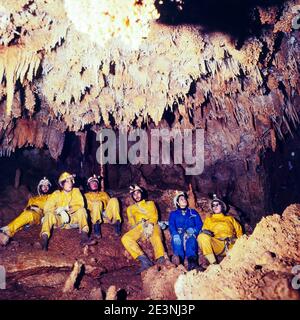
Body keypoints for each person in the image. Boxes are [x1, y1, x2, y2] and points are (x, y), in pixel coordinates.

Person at [40, 172, 94, 251]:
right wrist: (60, 211)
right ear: (62, 184)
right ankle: (44, 241)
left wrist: (66, 208)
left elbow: (80, 204)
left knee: (82, 210)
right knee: (48, 215)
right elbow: (47, 208)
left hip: (72, 220)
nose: (70, 184)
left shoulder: (76, 191)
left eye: (71, 181)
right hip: (60, 220)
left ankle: (84, 237)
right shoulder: (56, 194)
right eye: (67, 181)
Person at [121, 184, 166, 273]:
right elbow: (132, 223)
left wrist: (150, 224)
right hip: (139, 227)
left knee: (156, 236)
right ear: (132, 197)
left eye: (138, 193)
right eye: (134, 194)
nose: (137, 196)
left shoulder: (150, 203)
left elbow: (154, 217)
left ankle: (160, 258)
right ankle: (145, 261)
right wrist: (138, 233)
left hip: (152, 224)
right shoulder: (130, 208)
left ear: (142, 194)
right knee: (125, 238)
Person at [0, 177, 52, 246]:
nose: (45, 187)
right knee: (22, 221)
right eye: (43, 186)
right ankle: (5, 235)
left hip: (38, 215)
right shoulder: (33, 198)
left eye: (47, 186)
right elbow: (26, 208)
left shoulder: (51, 197)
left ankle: (6, 228)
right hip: (29, 213)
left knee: (29, 215)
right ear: (40, 187)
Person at [197, 194, 243, 265]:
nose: (215, 207)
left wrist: (239, 242)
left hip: (232, 244)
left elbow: (239, 231)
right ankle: (214, 264)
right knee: (201, 236)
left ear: (222, 206)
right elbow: (204, 232)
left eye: (217, 204)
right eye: (213, 205)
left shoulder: (230, 218)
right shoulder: (209, 220)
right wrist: (205, 232)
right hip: (217, 245)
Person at [169, 191, 203, 270]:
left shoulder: (193, 212)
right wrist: (174, 234)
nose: (184, 200)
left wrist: (194, 230)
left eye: (184, 198)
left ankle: (192, 264)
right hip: (179, 233)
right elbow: (171, 224)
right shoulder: (173, 214)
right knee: (177, 243)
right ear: (177, 203)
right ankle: (178, 264)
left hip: (190, 233)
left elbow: (199, 224)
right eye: (181, 199)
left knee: (191, 242)